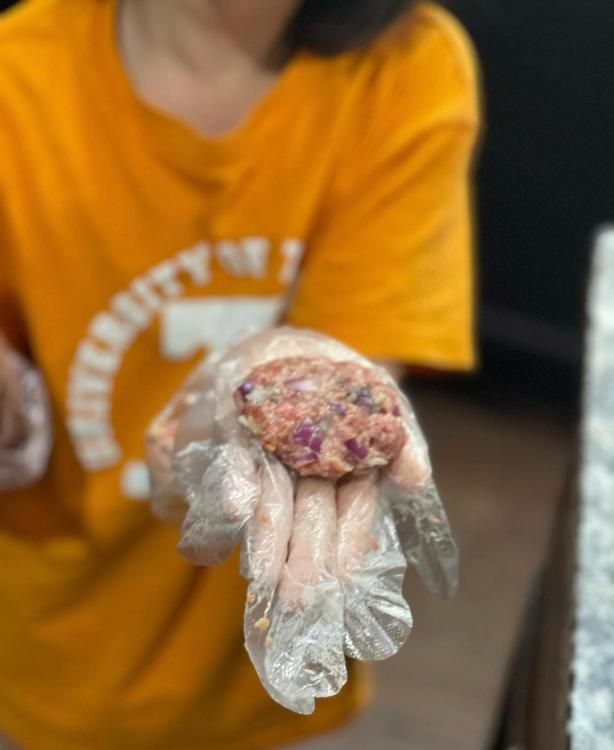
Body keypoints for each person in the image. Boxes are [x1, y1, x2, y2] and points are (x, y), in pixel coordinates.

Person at [0, 0, 479, 748]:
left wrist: (264, 393)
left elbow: (353, 372)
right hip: (59, 633)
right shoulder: (19, 76)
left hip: (263, 649)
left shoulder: (403, 67)